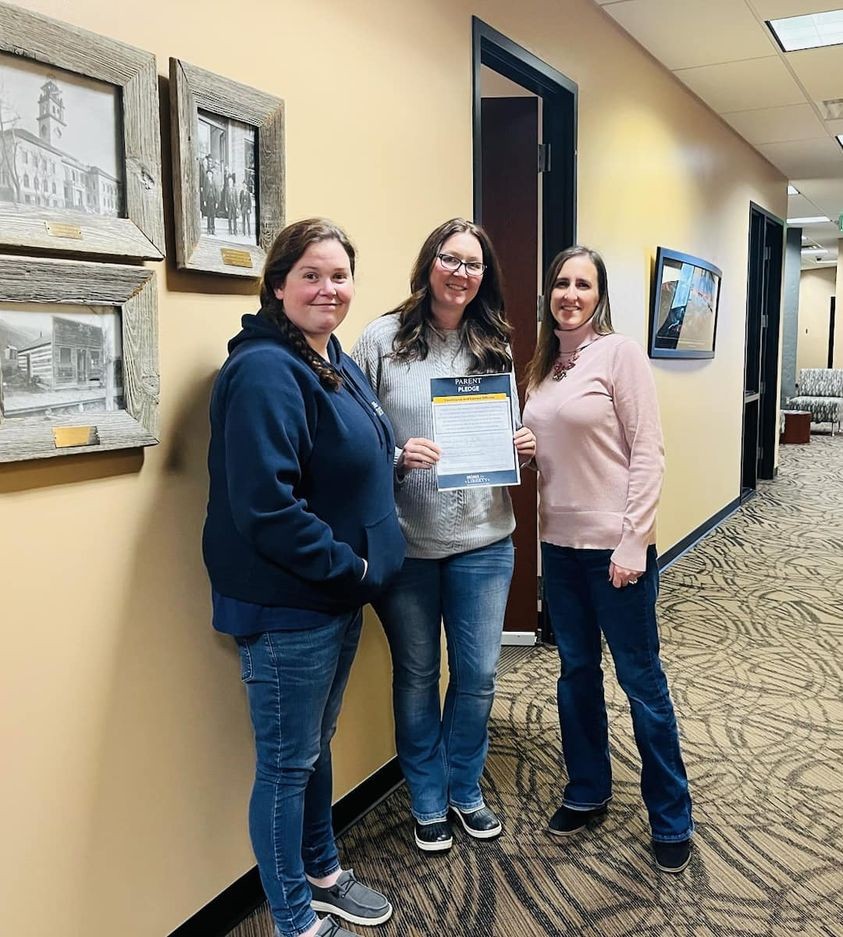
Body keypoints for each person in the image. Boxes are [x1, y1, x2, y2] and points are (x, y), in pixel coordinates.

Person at [203, 218, 406, 937]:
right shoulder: (263, 369)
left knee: (312, 749)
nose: (329, 288)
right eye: (312, 275)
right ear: (279, 283)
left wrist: (393, 462)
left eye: (340, 275)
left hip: (335, 599)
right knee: (287, 766)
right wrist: (349, 565)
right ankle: (293, 918)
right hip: (291, 604)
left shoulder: (328, 355)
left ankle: (321, 873)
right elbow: (265, 506)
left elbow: (343, 453)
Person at [351, 218, 536, 854]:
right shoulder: (381, 338)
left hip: (484, 541)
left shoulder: (496, 343)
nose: (461, 273)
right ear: (429, 263)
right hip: (407, 544)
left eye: (474, 265)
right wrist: (399, 454)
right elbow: (352, 436)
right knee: (417, 673)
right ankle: (426, 797)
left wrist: (521, 442)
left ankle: (465, 789)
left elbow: (502, 429)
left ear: (486, 277)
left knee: (480, 674)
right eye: (450, 260)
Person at [521, 245, 694, 874]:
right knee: (575, 675)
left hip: (615, 550)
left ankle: (672, 816)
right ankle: (589, 789)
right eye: (560, 284)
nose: (569, 293)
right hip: (559, 547)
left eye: (582, 284)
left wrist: (632, 540)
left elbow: (648, 452)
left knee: (641, 682)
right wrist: (520, 451)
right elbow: (547, 451)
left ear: (599, 296)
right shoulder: (541, 367)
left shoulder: (619, 354)